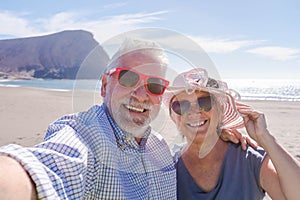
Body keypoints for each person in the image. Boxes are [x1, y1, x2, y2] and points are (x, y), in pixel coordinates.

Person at [0, 38, 251, 199]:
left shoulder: (161, 148)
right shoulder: (84, 136)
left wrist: (217, 133)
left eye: (154, 86)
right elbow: (45, 167)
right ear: (104, 85)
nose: (141, 95)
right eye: (128, 78)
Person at [165, 68, 300, 200]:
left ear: (221, 110)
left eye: (204, 102)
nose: (193, 112)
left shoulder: (249, 159)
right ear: (174, 116)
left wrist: (266, 138)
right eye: (181, 106)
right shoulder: (168, 167)